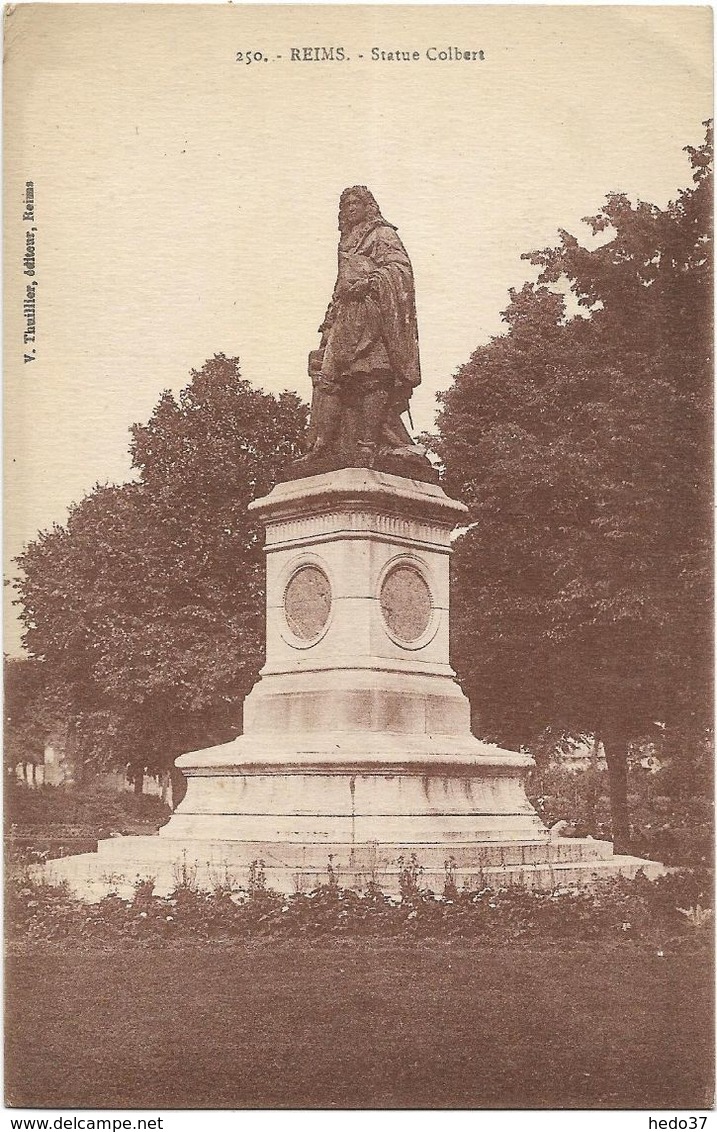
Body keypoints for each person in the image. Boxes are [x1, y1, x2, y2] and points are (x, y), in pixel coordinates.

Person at [302, 186, 424, 468]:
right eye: (344, 204)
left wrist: (369, 284)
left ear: (368, 205)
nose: (348, 208)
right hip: (347, 319)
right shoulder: (346, 242)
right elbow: (339, 285)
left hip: (374, 315)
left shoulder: (382, 234)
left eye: (355, 203)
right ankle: (324, 443)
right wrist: (330, 319)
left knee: (374, 373)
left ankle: (368, 443)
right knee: (330, 377)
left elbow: (400, 270)